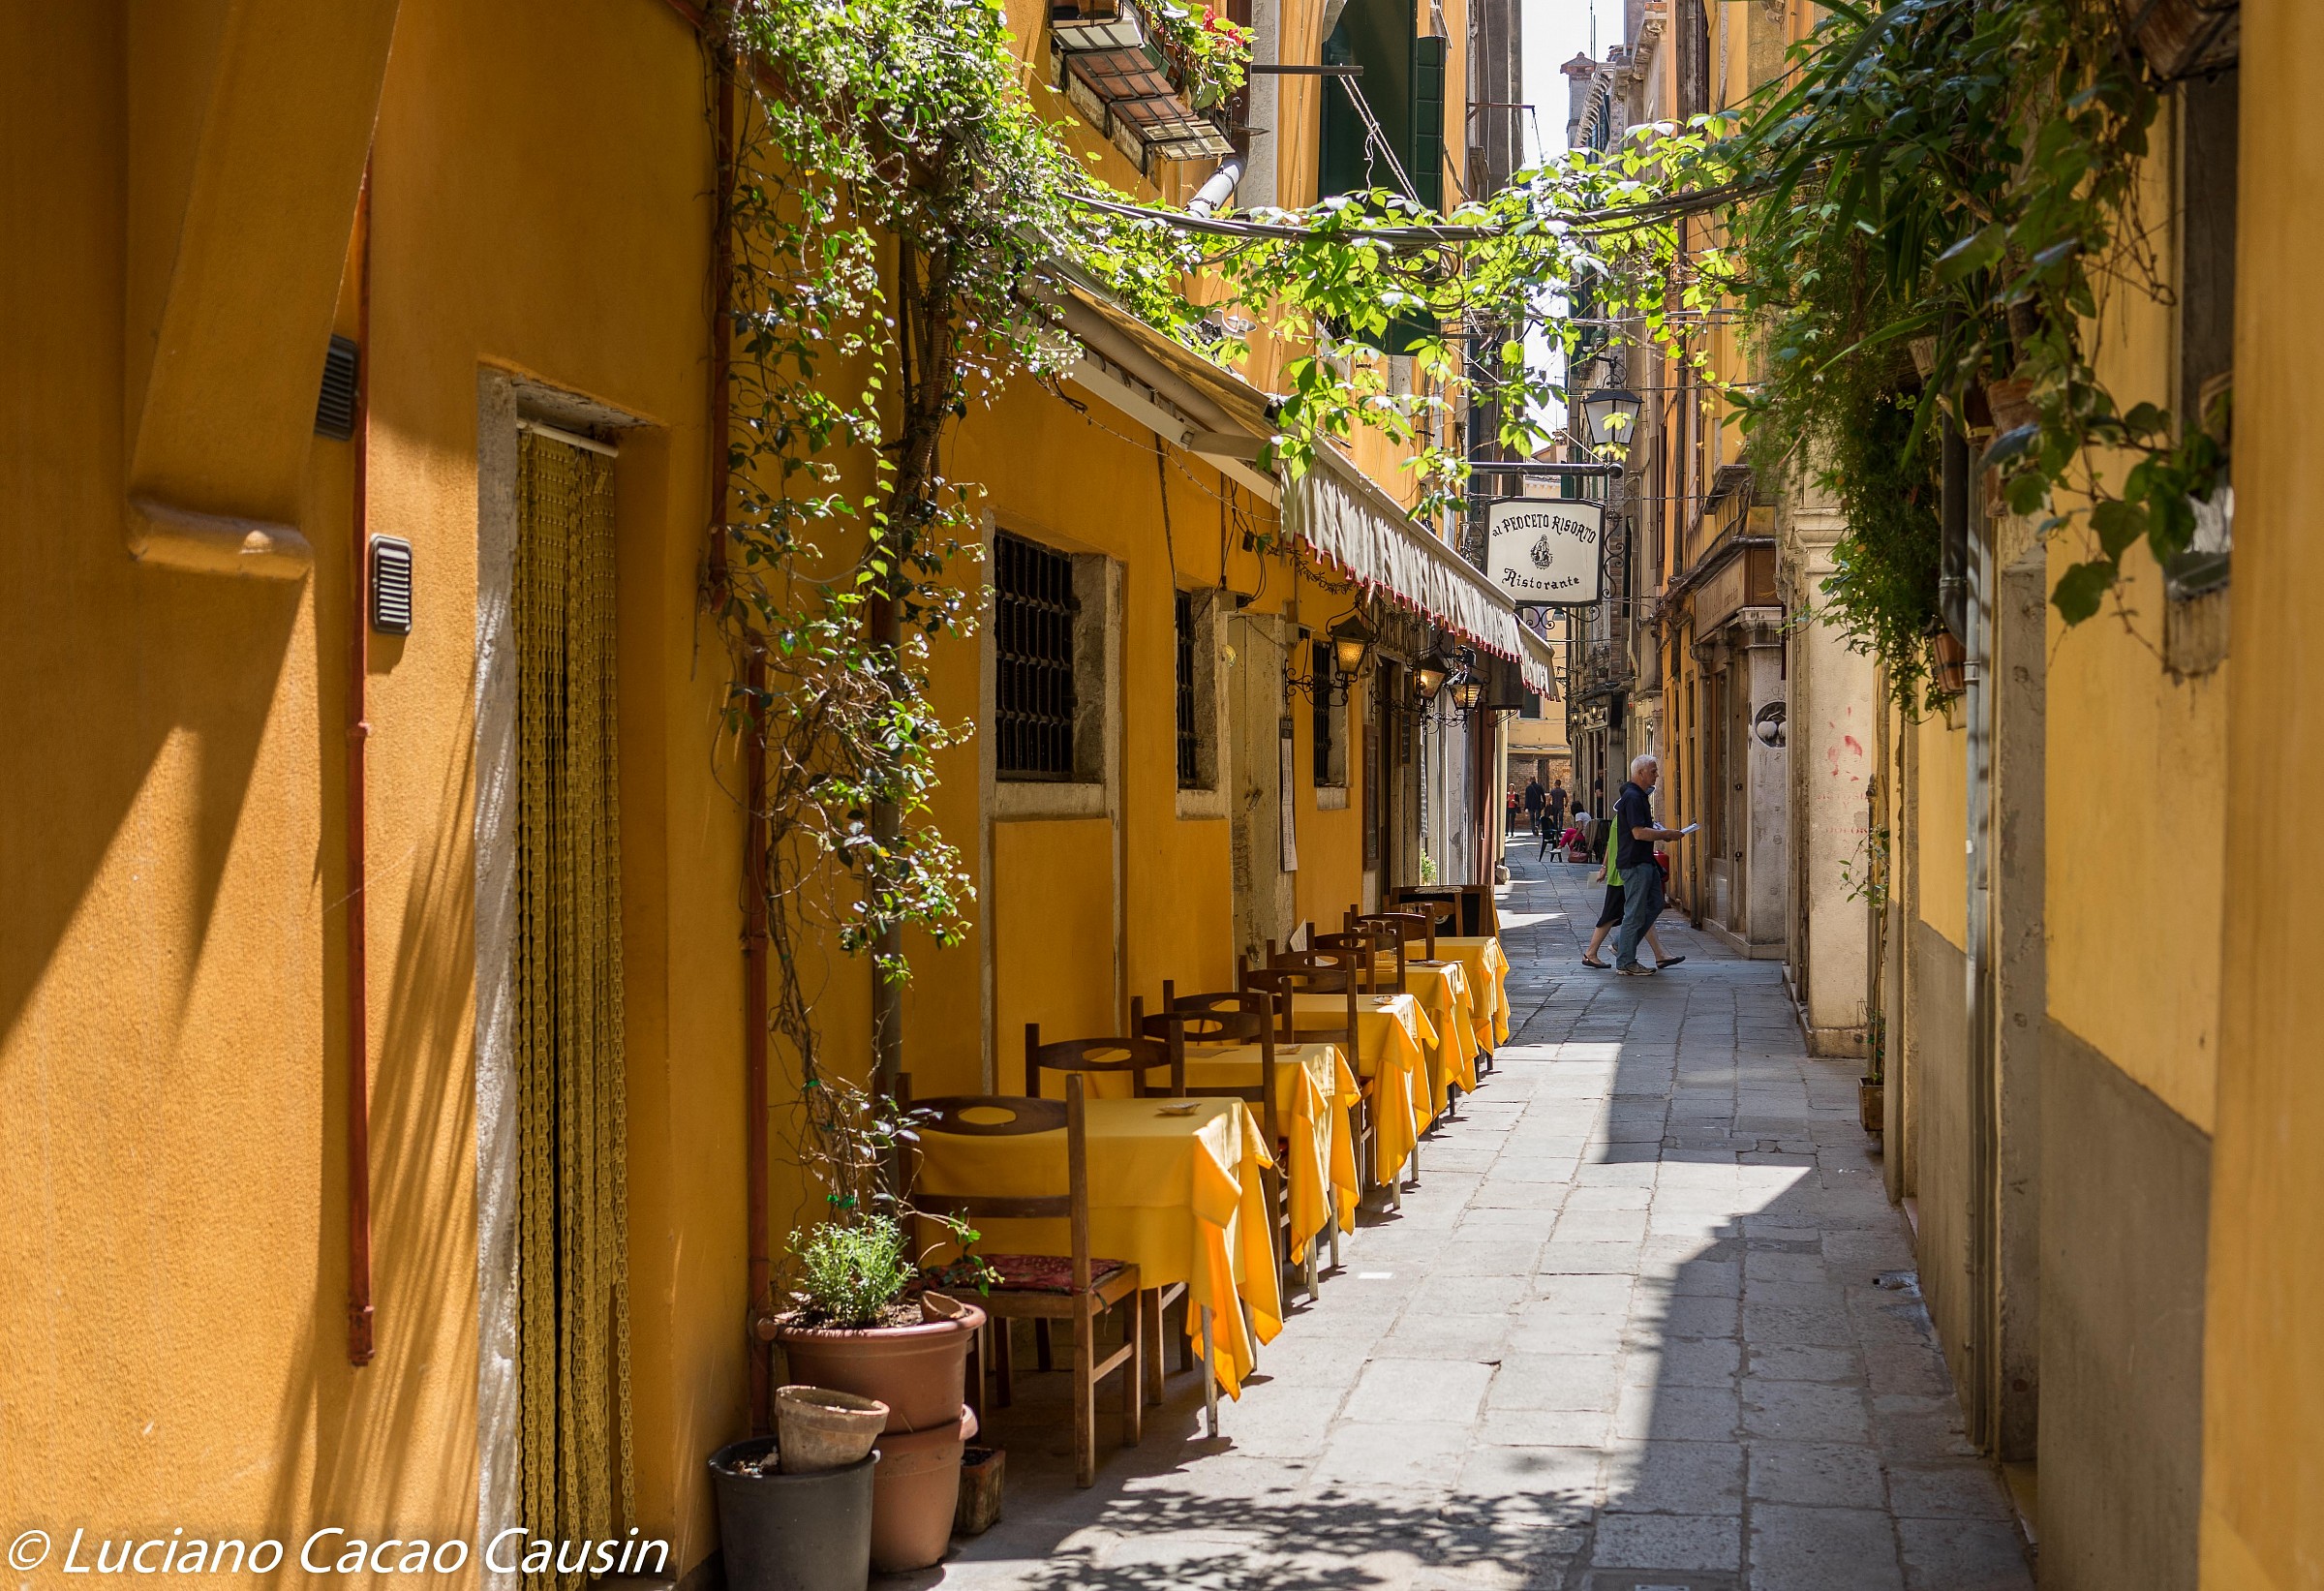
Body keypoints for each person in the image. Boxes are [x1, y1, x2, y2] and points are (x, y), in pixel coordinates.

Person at [1579, 806, 1683, 969]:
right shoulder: (1626, 820)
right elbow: (1619, 843)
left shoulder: (1619, 819)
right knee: (1612, 914)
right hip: (1623, 874)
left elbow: (1609, 844)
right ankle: (1592, 953)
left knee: (1640, 911)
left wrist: (1604, 867)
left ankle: (1659, 955)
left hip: (1620, 871)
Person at [1614, 753, 1690, 976]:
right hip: (1635, 863)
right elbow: (1638, 833)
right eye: (1653, 771)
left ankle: (1622, 943)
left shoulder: (1638, 796)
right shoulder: (1633, 797)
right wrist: (1665, 834)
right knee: (1634, 912)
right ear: (1640, 773)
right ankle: (1626, 961)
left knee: (1656, 904)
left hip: (1645, 862)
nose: (1657, 774)